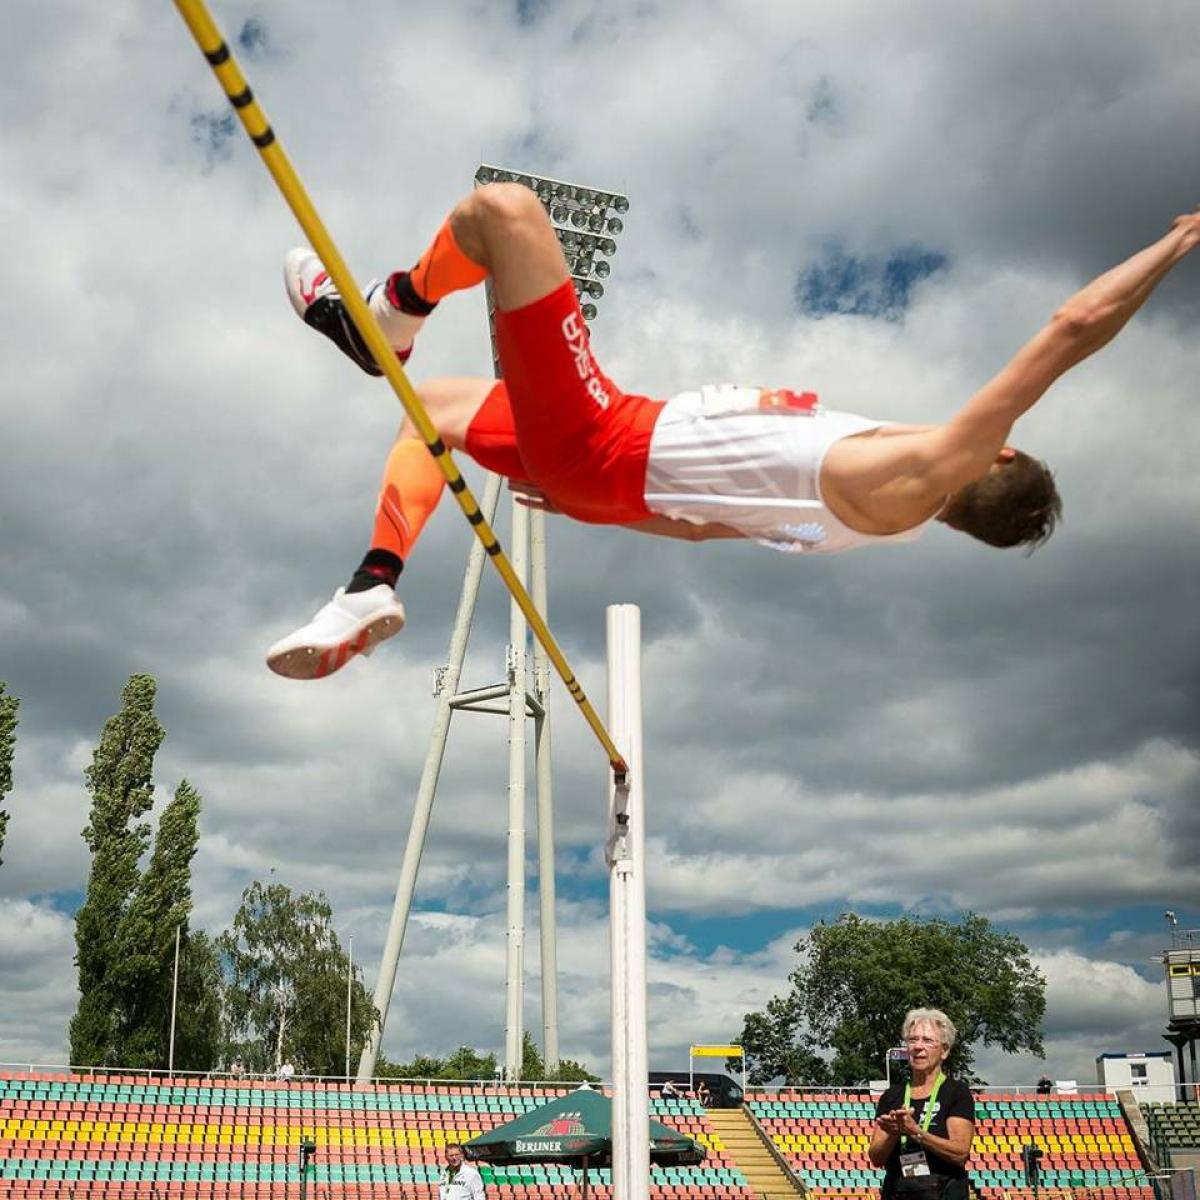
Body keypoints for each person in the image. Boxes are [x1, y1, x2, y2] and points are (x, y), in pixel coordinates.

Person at [264, 184, 1200, 679]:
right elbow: (708, 529)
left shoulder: (929, 465)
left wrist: (1176, 243)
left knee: (502, 213)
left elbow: (1071, 329)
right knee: (434, 410)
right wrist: (598, 511)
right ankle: (366, 588)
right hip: (610, 482)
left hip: (614, 441)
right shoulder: (880, 515)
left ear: (991, 457)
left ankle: (389, 310)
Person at [869, 1008, 975, 1200]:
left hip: (944, 1191)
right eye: (912, 1040)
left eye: (927, 1040)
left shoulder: (956, 1092)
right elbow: (876, 1158)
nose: (918, 1046)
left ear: (944, 1051)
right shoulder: (892, 1096)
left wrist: (915, 1132)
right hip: (899, 1190)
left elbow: (960, 1152)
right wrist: (893, 1134)